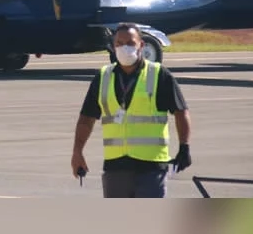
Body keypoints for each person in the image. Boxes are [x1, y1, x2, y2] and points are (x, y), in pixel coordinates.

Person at [71, 22, 192, 197]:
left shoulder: (159, 74)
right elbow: (86, 119)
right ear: (113, 46)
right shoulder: (103, 77)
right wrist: (77, 152)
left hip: (151, 166)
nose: (124, 48)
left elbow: (181, 112)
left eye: (130, 43)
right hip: (115, 166)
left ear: (141, 45)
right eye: (119, 44)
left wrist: (184, 147)